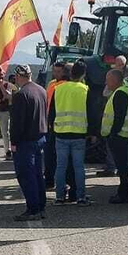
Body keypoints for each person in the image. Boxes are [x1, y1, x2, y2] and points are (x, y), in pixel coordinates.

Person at [8, 64, 48, 221]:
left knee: (26, 175)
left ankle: (33, 208)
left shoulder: (21, 95)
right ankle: (40, 205)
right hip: (40, 137)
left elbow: (17, 123)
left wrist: (13, 142)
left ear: (18, 76)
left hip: (25, 141)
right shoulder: (41, 90)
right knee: (38, 174)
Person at [51, 60, 91, 205]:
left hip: (61, 133)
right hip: (79, 133)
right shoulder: (84, 89)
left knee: (60, 166)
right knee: (78, 167)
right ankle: (81, 197)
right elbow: (90, 112)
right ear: (82, 75)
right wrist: (91, 131)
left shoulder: (59, 88)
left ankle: (59, 197)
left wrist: (52, 127)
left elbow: (52, 112)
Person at [100, 67, 128, 204]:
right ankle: (123, 193)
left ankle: (123, 194)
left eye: (107, 80)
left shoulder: (120, 93)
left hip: (119, 136)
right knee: (123, 167)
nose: (106, 83)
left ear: (114, 80)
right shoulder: (123, 91)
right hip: (125, 134)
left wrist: (113, 133)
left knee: (122, 168)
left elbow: (119, 117)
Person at [44, 61, 68, 186]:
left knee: (57, 155)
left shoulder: (65, 85)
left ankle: (57, 181)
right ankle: (49, 178)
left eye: (59, 71)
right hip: (49, 122)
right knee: (49, 154)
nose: (56, 73)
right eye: (55, 71)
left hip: (60, 123)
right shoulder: (51, 84)